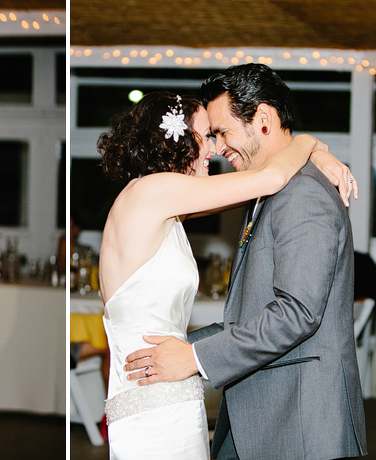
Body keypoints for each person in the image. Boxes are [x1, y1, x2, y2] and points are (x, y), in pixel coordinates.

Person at [97, 84, 357, 458]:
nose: (215, 149)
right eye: (207, 136)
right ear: (178, 140)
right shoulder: (153, 193)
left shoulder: (161, 203)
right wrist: (312, 144)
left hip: (169, 388)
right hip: (152, 402)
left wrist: (313, 153)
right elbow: (270, 179)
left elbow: (263, 183)